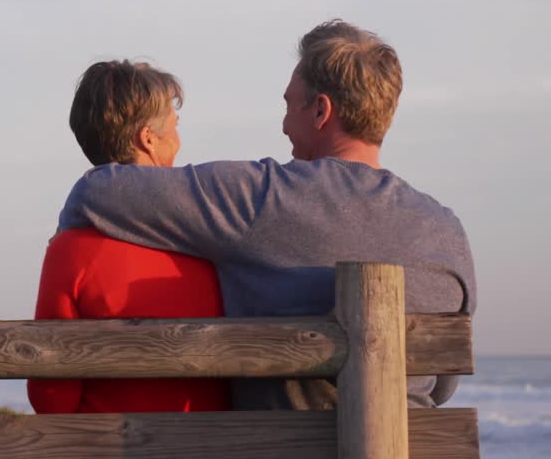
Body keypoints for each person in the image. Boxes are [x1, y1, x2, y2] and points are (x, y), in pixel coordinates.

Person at [58, 20, 476, 410]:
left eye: (289, 104)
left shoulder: (263, 198)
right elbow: (442, 384)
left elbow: (98, 190)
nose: (282, 125)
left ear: (320, 111)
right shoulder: (447, 233)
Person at [28, 60, 230, 414]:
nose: (179, 140)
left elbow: (51, 395)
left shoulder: (69, 250)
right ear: (148, 139)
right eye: (175, 125)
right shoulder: (212, 236)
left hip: (103, 445)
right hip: (212, 441)